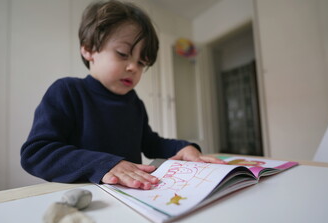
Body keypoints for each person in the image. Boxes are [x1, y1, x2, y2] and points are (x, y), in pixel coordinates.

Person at [20, 0, 222, 190]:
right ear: (89, 50)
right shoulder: (67, 91)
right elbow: (36, 154)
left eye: (142, 62)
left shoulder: (134, 103)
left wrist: (184, 148)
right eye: (123, 54)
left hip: (131, 198)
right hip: (87, 200)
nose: (134, 67)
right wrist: (105, 164)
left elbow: (151, 144)